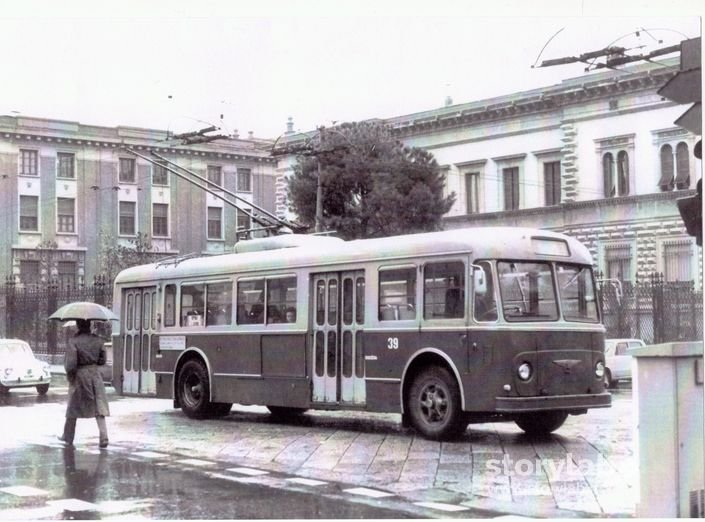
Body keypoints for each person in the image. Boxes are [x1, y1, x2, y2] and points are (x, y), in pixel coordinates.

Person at [58, 319, 110, 448]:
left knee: (73, 407)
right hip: (95, 375)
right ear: (90, 325)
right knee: (99, 406)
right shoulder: (98, 340)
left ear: (78, 326)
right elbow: (102, 360)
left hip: (80, 376)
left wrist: (71, 377)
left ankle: (68, 436)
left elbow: (71, 365)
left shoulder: (73, 341)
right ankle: (104, 436)